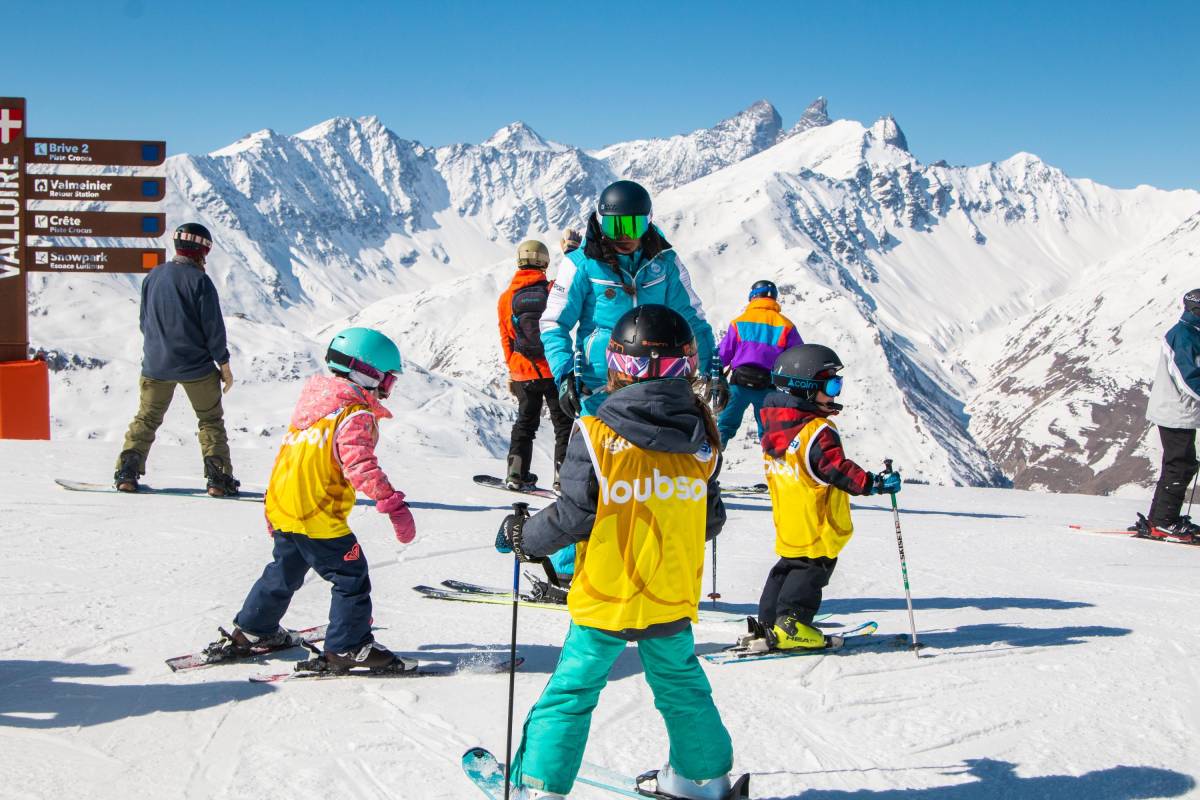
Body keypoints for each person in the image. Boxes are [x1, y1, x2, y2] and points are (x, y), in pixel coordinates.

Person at [495, 305, 737, 800]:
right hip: (670, 594)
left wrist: (523, 537)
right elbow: (711, 521)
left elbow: (573, 516)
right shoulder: (702, 440)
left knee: (573, 692)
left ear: (617, 365)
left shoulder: (595, 433)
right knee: (682, 690)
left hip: (608, 594)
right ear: (687, 366)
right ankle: (703, 781)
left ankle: (539, 787)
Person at [207, 327, 417, 673]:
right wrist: (392, 504)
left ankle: (253, 630)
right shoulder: (354, 415)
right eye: (388, 380)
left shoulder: (314, 410)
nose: (387, 390)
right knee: (350, 577)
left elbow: (286, 461)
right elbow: (360, 466)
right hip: (319, 515)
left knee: (284, 571)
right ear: (366, 372)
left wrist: (272, 510)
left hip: (287, 506)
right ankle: (349, 646)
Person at [742, 344, 901, 652]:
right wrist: (872, 484)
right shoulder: (815, 430)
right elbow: (835, 468)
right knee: (811, 572)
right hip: (816, 521)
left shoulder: (776, 425)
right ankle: (792, 625)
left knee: (787, 567)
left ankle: (768, 622)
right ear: (806, 389)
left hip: (790, 518)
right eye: (831, 385)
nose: (836, 393)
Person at [539, 180, 727, 419]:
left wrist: (712, 370)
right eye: (613, 226)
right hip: (599, 386)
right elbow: (554, 323)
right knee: (599, 454)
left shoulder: (665, 263)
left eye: (633, 225)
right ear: (599, 222)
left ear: (648, 222)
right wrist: (565, 373)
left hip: (659, 384)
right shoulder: (581, 264)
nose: (624, 235)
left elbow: (692, 319)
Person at [113, 222, 239, 496]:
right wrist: (224, 364)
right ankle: (218, 479)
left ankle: (126, 473)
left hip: (156, 365)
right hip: (197, 368)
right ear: (202, 251)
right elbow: (213, 329)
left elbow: (144, 322)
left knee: (146, 419)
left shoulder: (154, 276)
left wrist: (159, 350)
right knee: (209, 422)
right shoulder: (200, 282)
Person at [498, 239, 573, 493]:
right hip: (553, 367)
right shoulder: (552, 290)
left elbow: (506, 338)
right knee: (563, 424)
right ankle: (563, 478)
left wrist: (513, 368)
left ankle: (515, 473)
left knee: (525, 423)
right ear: (544, 262)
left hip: (523, 369)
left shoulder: (506, 298)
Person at [1137, 289, 1200, 543]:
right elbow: (1188, 378)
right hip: (1175, 411)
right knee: (1181, 465)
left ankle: (1158, 520)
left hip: (1179, 411)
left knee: (1177, 464)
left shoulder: (1189, 333)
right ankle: (1164, 522)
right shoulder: (1183, 336)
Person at [715, 280, 803, 448]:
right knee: (770, 434)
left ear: (752, 296)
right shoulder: (786, 325)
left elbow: (723, 355)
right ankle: (774, 468)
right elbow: (797, 359)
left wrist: (714, 371)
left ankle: (710, 464)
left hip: (738, 385)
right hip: (767, 389)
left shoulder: (739, 322)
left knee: (723, 429)